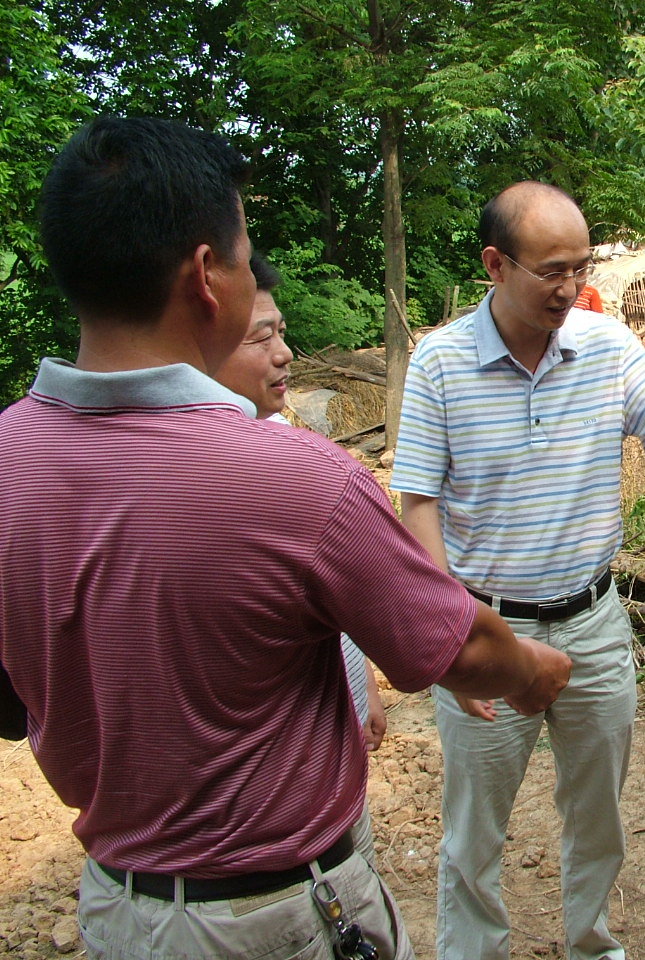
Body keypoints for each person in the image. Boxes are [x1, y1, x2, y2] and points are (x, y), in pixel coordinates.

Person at [0, 116, 571, 960]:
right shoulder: (298, 478)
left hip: (116, 910)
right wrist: (532, 670)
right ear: (207, 275)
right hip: (274, 918)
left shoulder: (9, 454)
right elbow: (460, 650)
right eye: (243, 251)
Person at [392, 180, 645, 960]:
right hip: (490, 628)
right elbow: (419, 504)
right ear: (495, 264)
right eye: (551, 270)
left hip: (594, 624)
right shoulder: (441, 363)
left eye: (580, 268)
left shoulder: (608, 346)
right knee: (474, 832)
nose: (570, 287)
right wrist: (452, 639)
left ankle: (593, 946)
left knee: (598, 817)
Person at [215, 251, 387, 865]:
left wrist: (361, 685)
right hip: (263, 825)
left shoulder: (288, 444)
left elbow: (330, 604)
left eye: (281, 332)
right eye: (261, 338)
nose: (285, 353)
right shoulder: (237, 477)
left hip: (329, 775)